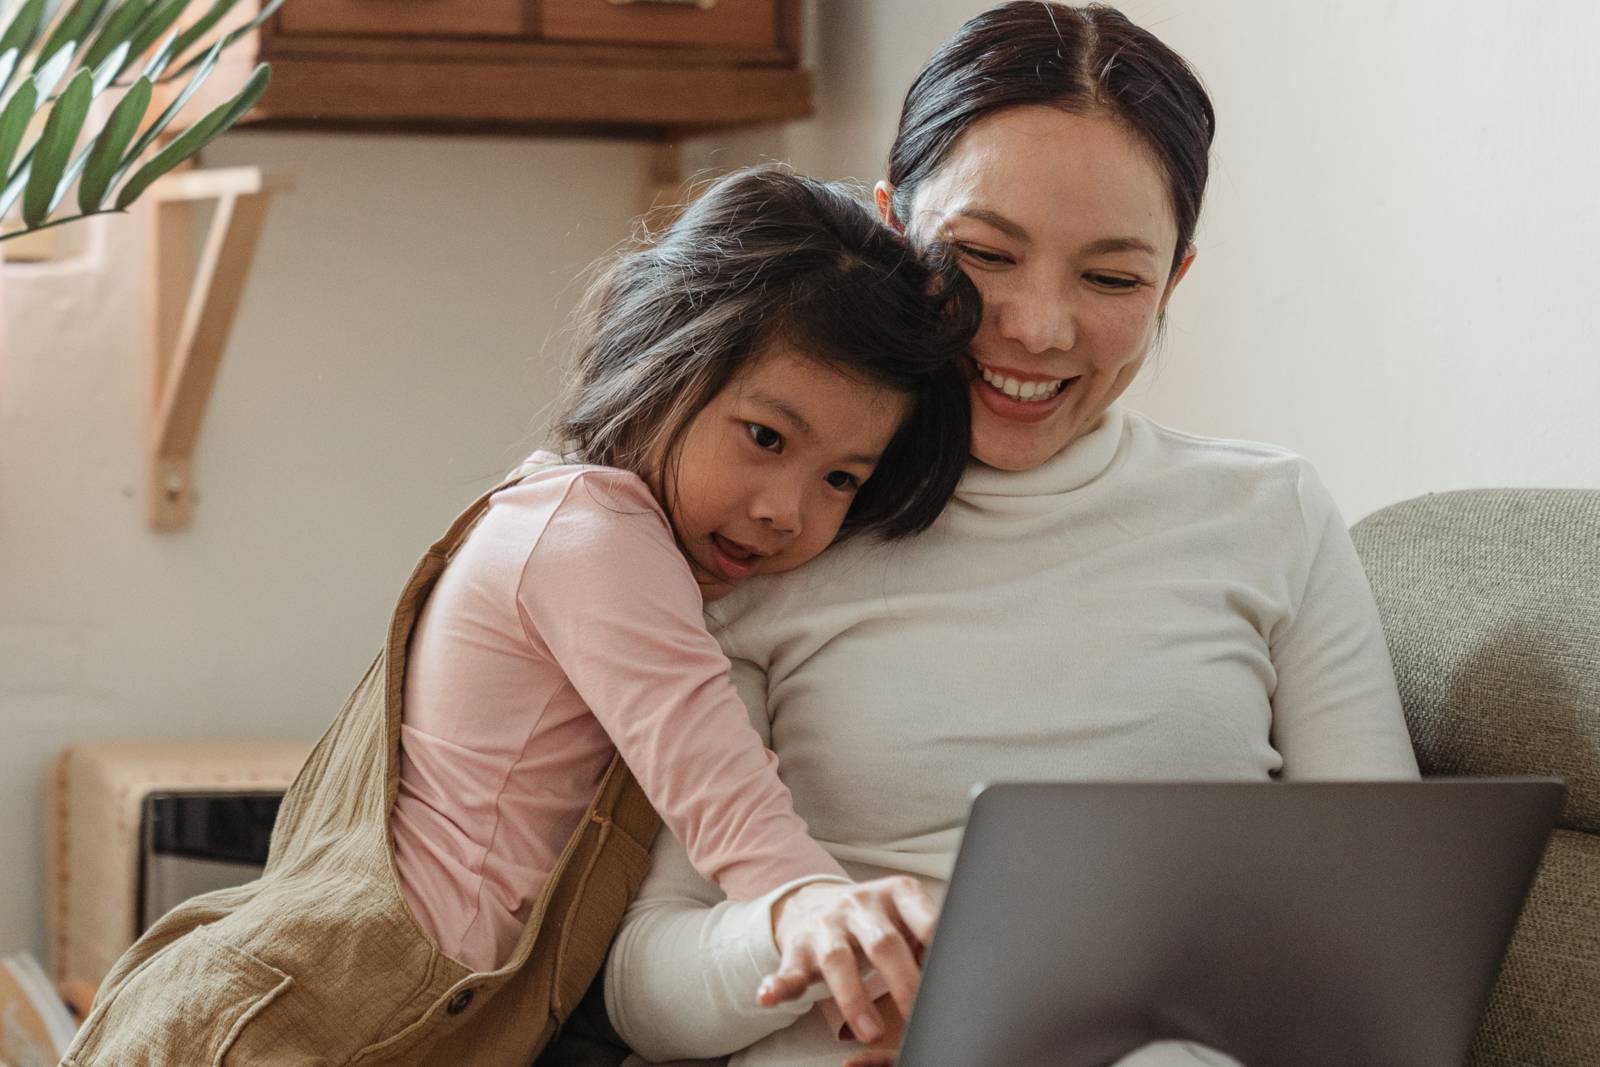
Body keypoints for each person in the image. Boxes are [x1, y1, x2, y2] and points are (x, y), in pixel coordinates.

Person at [601, 5, 1420, 1067]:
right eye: (983, 254)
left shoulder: (1273, 514)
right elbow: (642, 987)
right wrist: (802, 933)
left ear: (1172, 280)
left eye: (1112, 277)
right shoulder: (780, 526)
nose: (1037, 327)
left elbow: (1393, 935)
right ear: (891, 232)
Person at [59, 166, 979, 1067]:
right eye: (766, 437)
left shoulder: (572, 521)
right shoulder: (596, 537)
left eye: (840, 479)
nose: (786, 509)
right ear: (663, 364)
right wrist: (817, 905)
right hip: (283, 1029)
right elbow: (716, 782)